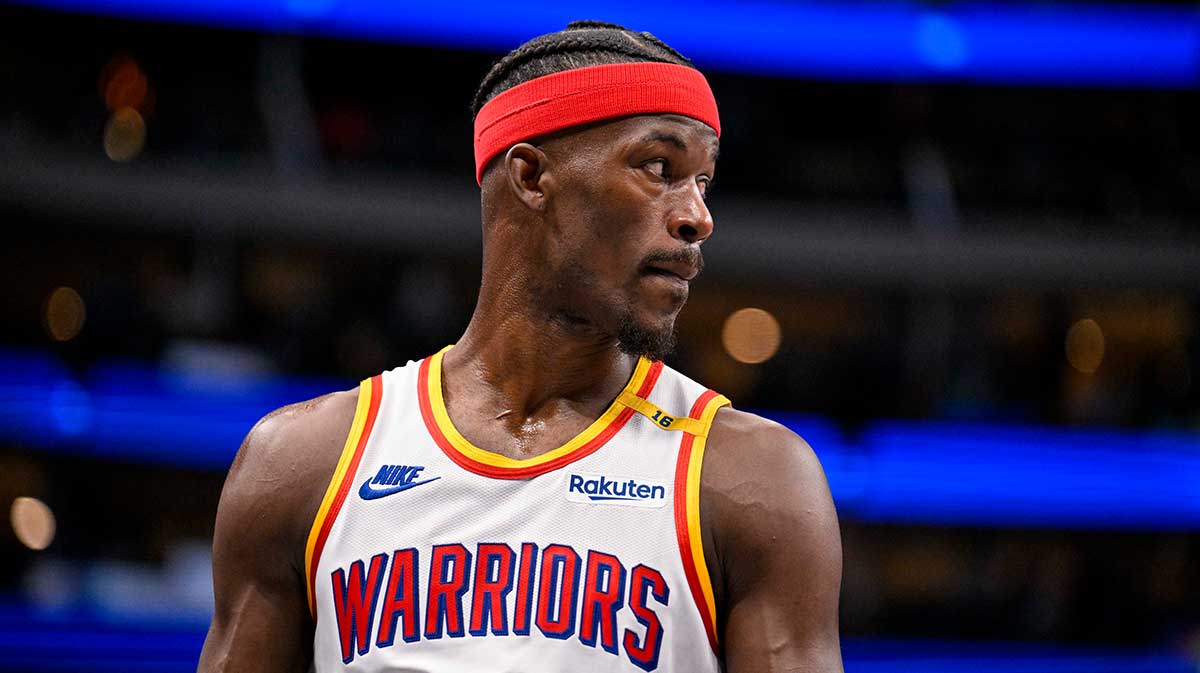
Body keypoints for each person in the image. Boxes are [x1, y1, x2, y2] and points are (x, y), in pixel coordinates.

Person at [197, 21, 842, 673]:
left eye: (703, 180)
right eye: (659, 167)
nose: (698, 216)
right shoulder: (303, 462)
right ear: (532, 176)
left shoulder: (753, 479)